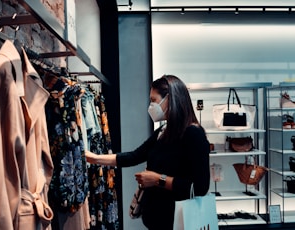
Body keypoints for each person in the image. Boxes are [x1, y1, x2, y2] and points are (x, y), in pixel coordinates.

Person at [85, 74, 210, 230]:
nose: (151, 105)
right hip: (158, 221)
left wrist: (158, 179)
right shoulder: (164, 131)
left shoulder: (193, 134)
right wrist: (94, 158)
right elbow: (134, 156)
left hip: (179, 222)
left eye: (153, 100)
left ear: (170, 99)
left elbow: (200, 187)